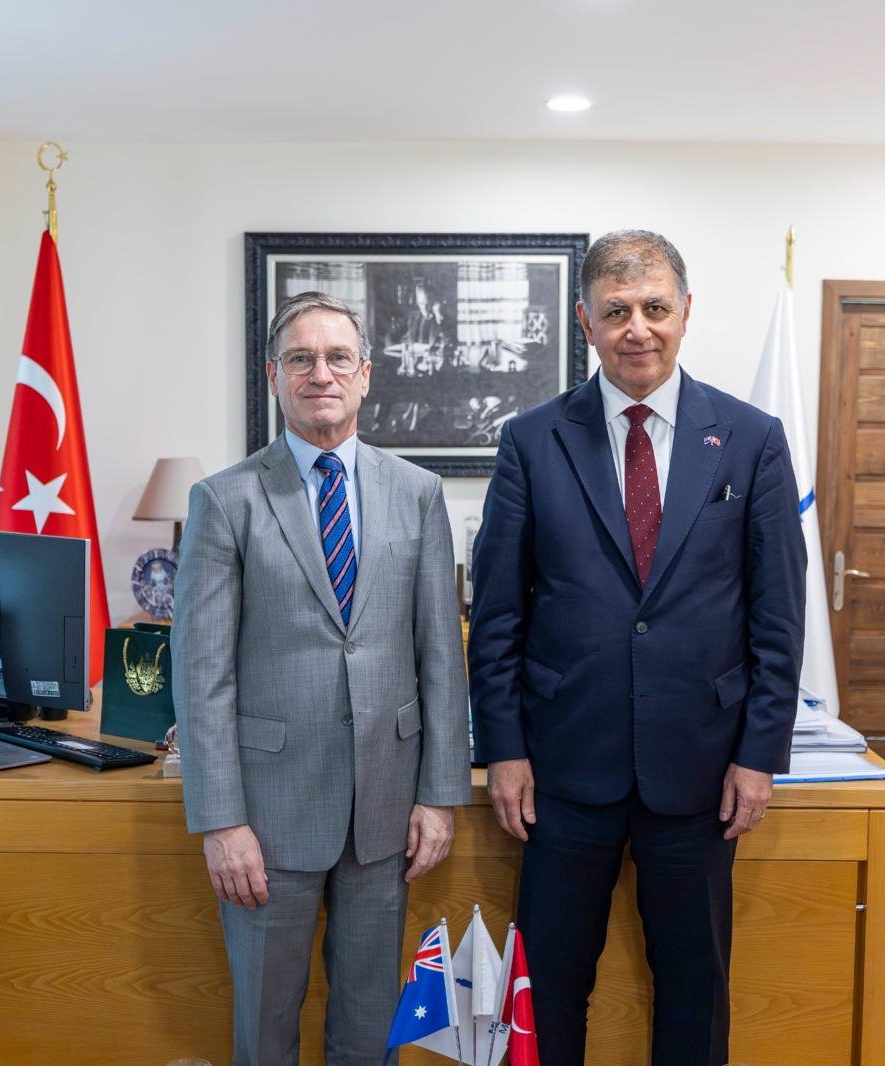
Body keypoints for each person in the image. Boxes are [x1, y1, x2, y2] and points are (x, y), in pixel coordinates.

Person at [469, 230, 807, 1066]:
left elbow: (778, 615)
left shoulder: (752, 438)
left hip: (702, 771)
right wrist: (503, 749)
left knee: (694, 988)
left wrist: (759, 753)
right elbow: (499, 613)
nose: (638, 329)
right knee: (546, 990)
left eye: (655, 308)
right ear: (585, 321)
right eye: (616, 311)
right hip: (562, 770)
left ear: (686, 312)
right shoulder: (532, 439)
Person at [173, 290, 470, 1065]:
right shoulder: (225, 500)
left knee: (370, 1030)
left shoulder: (417, 493)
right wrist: (221, 822)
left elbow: (441, 656)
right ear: (274, 375)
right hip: (266, 819)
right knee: (265, 1028)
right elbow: (202, 678)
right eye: (300, 358)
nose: (321, 373)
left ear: (366, 374)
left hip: (386, 813)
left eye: (338, 357)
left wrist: (440, 795)